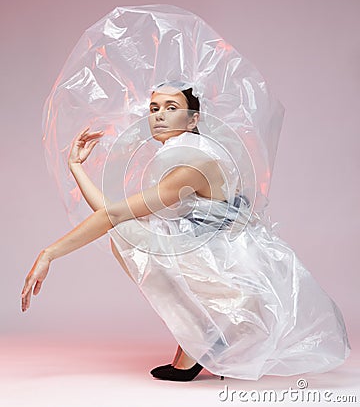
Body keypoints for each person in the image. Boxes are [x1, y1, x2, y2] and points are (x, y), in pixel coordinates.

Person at [22, 83, 350, 383]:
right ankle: (201, 337)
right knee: (126, 234)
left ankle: (200, 339)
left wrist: (49, 253)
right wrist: (76, 167)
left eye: (171, 107)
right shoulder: (183, 153)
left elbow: (116, 215)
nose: (160, 115)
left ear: (193, 120)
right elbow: (118, 215)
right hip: (213, 255)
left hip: (234, 271)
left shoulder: (191, 163)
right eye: (154, 109)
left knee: (126, 237)